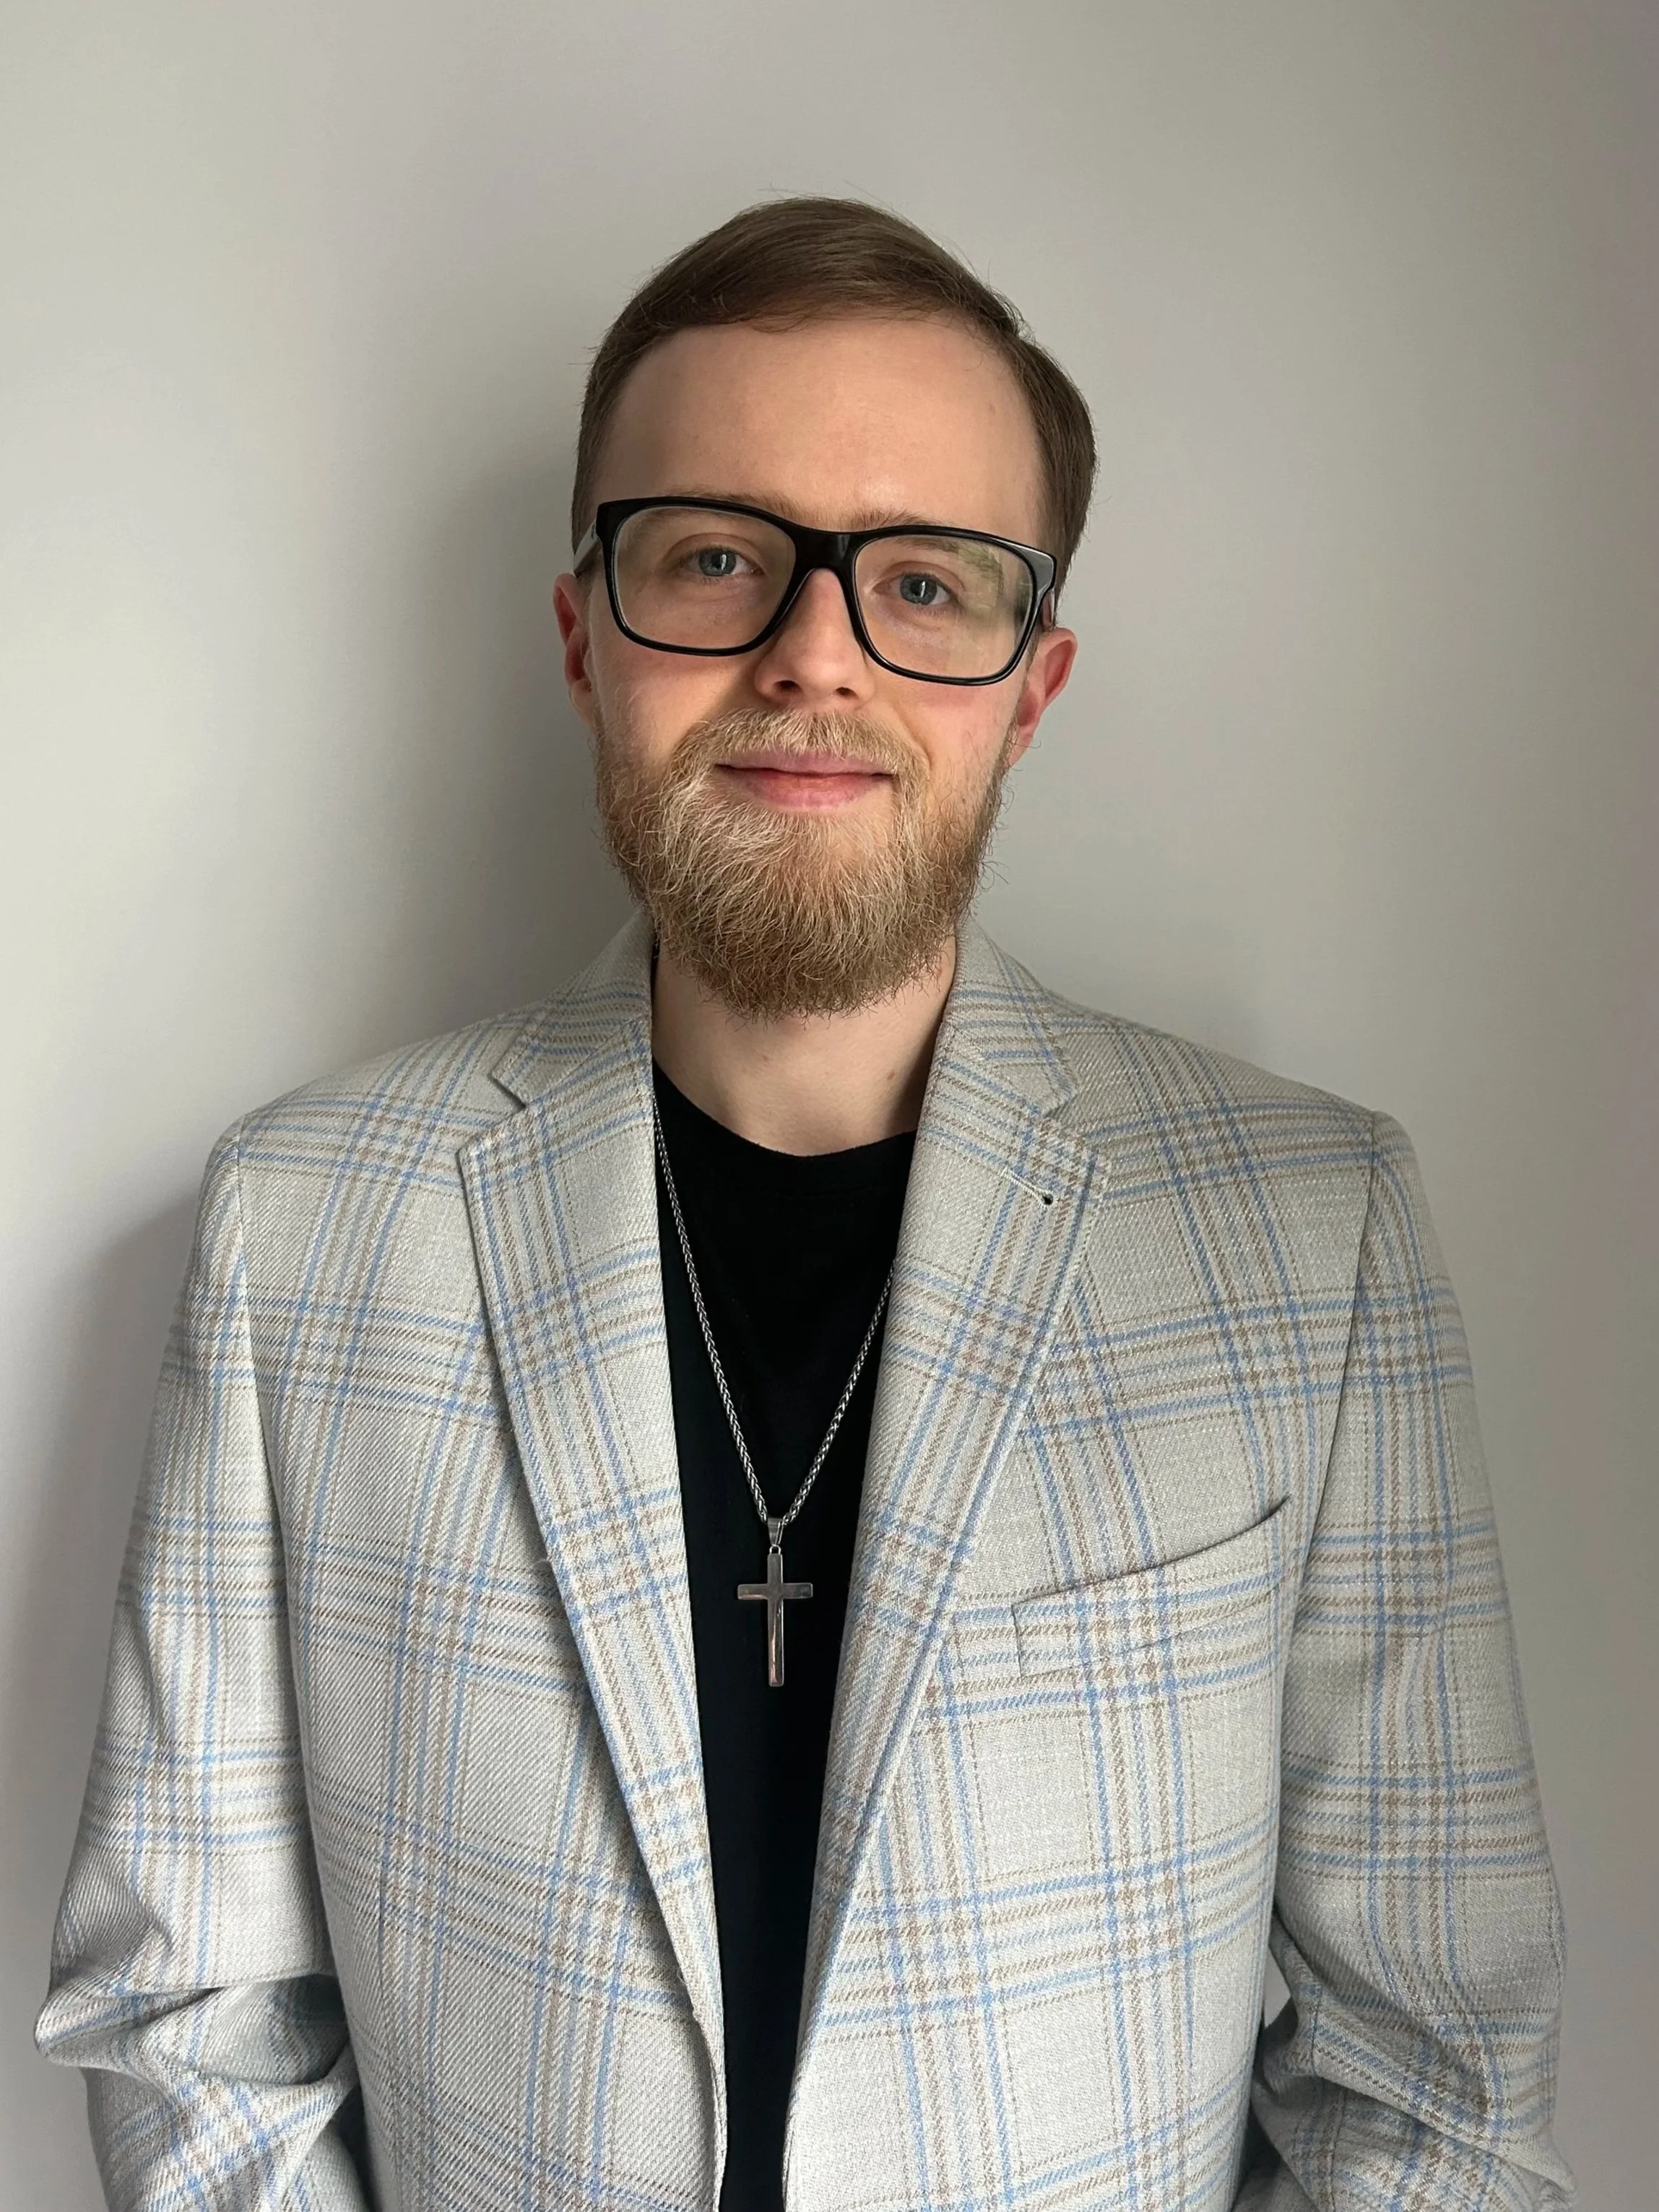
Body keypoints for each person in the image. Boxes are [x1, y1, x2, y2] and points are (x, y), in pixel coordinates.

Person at [39, 197, 1574, 2211]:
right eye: (714, 559)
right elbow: (194, 2019)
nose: (812, 653)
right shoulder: (301, 1232)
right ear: (585, 631)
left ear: (1031, 679)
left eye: (926, 581)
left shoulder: (1318, 1237)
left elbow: (1431, 2067)